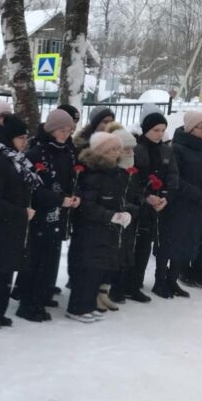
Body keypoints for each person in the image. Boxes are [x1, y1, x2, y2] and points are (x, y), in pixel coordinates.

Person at [17, 109, 81, 322]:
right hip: (41, 214)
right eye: (61, 130)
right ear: (51, 129)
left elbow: (74, 179)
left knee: (51, 257)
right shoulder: (37, 153)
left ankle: (43, 294)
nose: (65, 134)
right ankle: (29, 302)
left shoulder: (68, 151)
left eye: (69, 130)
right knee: (36, 258)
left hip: (59, 212)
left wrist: (75, 196)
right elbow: (33, 188)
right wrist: (57, 199)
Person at [0, 114, 37, 329]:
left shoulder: (17, 160)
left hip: (14, 226)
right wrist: (21, 212)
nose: (24, 142)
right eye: (20, 138)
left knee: (7, 271)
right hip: (0, 226)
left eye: (26, 138)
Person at [66, 132, 132, 322]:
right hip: (90, 228)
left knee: (99, 268)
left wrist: (125, 212)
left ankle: (89, 304)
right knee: (86, 267)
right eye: (111, 149)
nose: (116, 153)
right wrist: (110, 215)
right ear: (101, 151)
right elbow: (87, 205)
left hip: (106, 228)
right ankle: (77, 307)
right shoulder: (92, 172)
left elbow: (119, 198)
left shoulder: (115, 172)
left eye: (118, 149)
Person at [157, 111, 202, 297]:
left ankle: (180, 276)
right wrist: (196, 193)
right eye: (201, 126)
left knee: (192, 241)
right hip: (181, 202)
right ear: (190, 128)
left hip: (199, 204)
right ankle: (163, 279)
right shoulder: (178, 148)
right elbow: (175, 177)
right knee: (174, 241)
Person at [125, 107, 170, 302]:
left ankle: (136, 283)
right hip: (137, 205)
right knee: (132, 246)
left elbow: (172, 176)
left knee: (145, 246)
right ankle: (125, 284)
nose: (159, 134)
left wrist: (165, 196)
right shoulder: (137, 149)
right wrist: (145, 196)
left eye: (162, 130)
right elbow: (131, 180)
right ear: (146, 130)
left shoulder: (166, 150)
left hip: (156, 206)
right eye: (155, 130)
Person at [102, 123, 140, 309]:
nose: (130, 153)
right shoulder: (112, 171)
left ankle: (117, 286)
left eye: (132, 149)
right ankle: (105, 290)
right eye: (126, 149)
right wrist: (124, 208)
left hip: (127, 218)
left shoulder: (130, 171)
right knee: (111, 254)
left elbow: (134, 191)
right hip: (113, 219)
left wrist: (138, 203)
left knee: (124, 252)